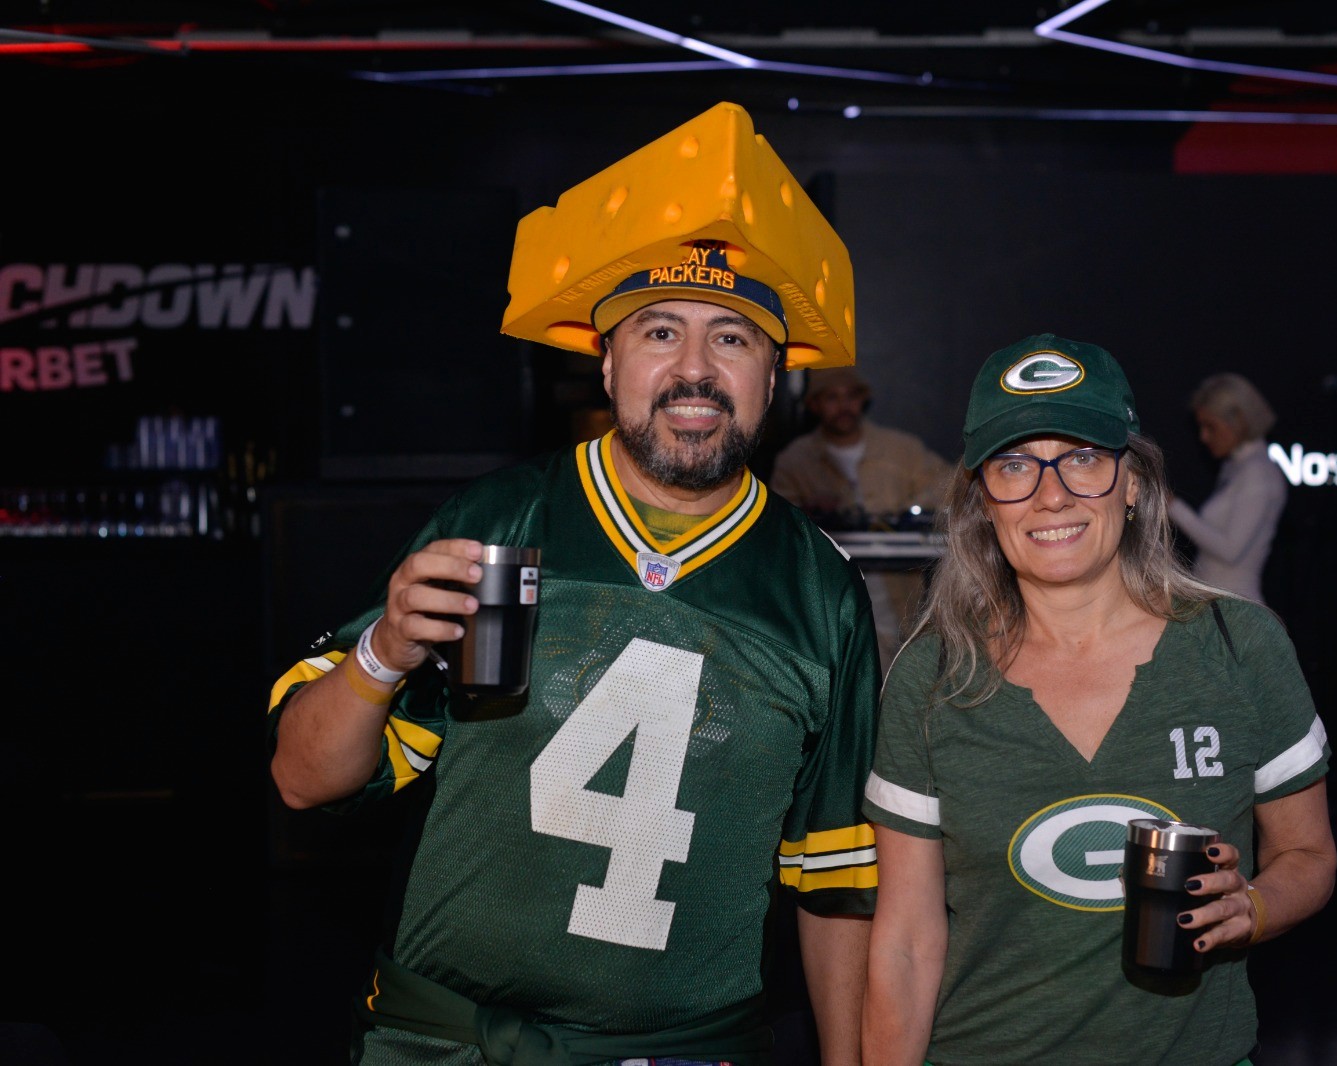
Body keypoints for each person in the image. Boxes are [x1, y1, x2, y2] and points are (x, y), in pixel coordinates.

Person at [268, 102, 880, 1066]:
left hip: (687, 1052)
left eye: (732, 339)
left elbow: (836, 882)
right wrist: (382, 654)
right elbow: (302, 781)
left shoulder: (821, 593)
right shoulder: (498, 520)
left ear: (774, 377)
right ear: (606, 361)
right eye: (659, 332)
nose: (694, 370)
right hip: (445, 1044)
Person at [860, 335, 1336, 1065]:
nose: (1051, 494)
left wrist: (1254, 907)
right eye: (1015, 465)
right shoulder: (934, 676)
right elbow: (905, 943)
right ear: (983, 500)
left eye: (1083, 457)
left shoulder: (1240, 647)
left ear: (1134, 482)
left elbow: (1308, 854)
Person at [769, 367, 952, 667]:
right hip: (831, 613)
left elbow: (947, 484)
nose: (844, 406)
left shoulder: (901, 449)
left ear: (863, 399)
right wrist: (808, 509)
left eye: (851, 396)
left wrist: (906, 511)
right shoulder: (795, 460)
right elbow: (777, 525)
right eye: (831, 397)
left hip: (901, 607)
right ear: (814, 404)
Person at [1168, 372, 1288, 604]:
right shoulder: (1238, 467)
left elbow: (1231, 551)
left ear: (1239, 420)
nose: (1203, 437)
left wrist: (1172, 505)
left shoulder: (1258, 473)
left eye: (1210, 426)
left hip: (1236, 608)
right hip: (1218, 601)